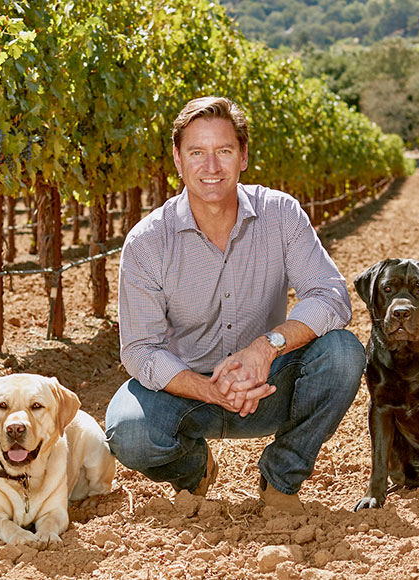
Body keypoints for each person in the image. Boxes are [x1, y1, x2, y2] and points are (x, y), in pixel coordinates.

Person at [104, 96, 365, 514]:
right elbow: (139, 350)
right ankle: (193, 471)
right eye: (197, 153)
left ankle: (280, 478)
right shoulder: (148, 242)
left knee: (344, 352)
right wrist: (207, 389)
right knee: (128, 433)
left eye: (223, 151)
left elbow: (330, 296)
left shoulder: (281, 214)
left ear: (242, 156)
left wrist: (266, 347)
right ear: (177, 159)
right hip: (187, 394)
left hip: (268, 386)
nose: (211, 167)